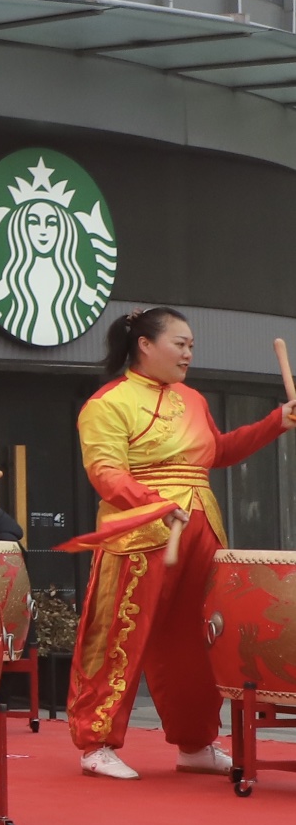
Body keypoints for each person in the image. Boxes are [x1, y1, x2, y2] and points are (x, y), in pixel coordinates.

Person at [68, 306, 290, 781]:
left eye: (191, 345)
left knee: (197, 639)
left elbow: (219, 451)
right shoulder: (109, 402)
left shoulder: (192, 399)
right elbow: (105, 472)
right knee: (122, 633)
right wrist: (153, 503)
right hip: (141, 531)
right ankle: (95, 742)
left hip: (201, 525)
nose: (189, 353)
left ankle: (195, 742)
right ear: (145, 345)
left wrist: (276, 421)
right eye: (180, 343)